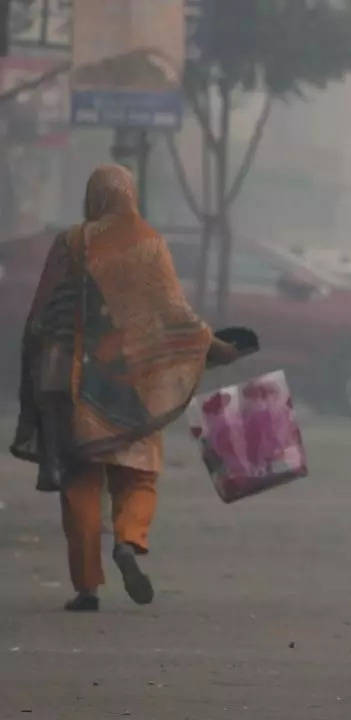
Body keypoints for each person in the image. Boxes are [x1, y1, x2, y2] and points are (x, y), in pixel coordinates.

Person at [9, 164, 241, 612]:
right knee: (138, 475)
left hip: (72, 385)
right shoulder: (149, 245)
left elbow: (43, 314)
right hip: (133, 383)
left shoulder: (69, 242)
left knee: (80, 483)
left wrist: (40, 375)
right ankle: (130, 542)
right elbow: (174, 314)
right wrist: (215, 347)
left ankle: (87, 587)